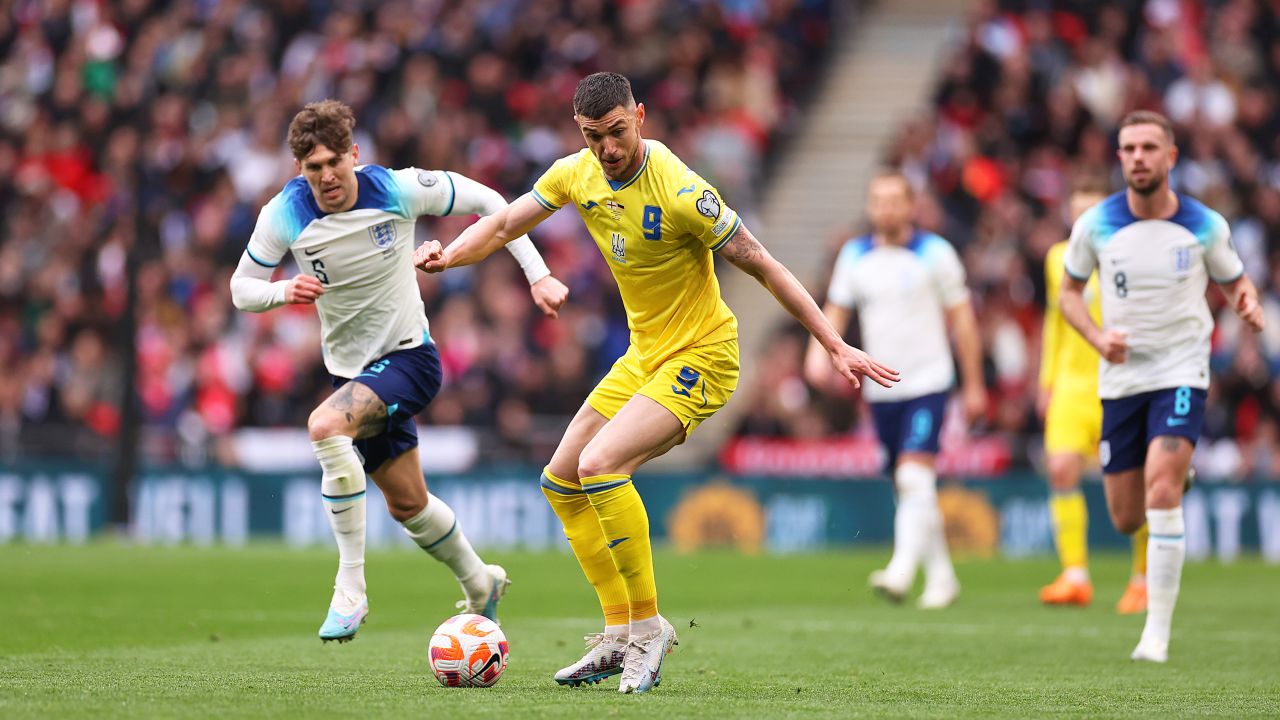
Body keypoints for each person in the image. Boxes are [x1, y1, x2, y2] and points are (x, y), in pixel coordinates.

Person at [415, 72, 899, 693]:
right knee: (561, 481)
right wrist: (447, 255)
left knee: (601, 464)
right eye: (595, 137)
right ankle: (618, 632)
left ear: (639, 115)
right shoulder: (576, 173)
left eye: (618, 131)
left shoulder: (679, 190)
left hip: (703, 355)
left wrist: (832, 343)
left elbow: (761, 262)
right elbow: (506, 224)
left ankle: (649, 627)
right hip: (645, 357)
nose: (608, 148)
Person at [229, 100, 569, 643]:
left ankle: (351, 589)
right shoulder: (284, 213)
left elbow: (490, 202)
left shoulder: (397, 188)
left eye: (334, 162)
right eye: (313, 168)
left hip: (411, 359)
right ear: (300, 170)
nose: (326, 176)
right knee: (408, 506)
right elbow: (240, 288)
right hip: (353, 376)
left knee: (324, 427)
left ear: (354, 155)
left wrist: (537, 273)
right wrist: (281, 292)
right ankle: (482, 583)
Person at [1059, 110, 1264, 662]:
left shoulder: (1204, 225)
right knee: (1128, 516)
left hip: (1181, 369)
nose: (1139, 157)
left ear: (1170, 157)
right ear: (1119, 157)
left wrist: (1244, 299)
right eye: (1129, 149)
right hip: (1121, 378)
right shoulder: (1095, 225)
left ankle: (1156, 632)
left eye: (1150, 147)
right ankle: (1178, 471)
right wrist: (1098, 338)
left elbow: (1235, 278)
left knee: (1161, 491)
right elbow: (1068, 295)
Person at [803, 170, 986, 610]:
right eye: (878, 200)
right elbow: (835, 312)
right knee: (912, 488)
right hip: (880, 391)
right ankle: (942, 578)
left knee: (912, 476)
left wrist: (975, 385)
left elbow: (963, 321)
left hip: (928, 383)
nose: (885, 208)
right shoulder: (855, 256)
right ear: (870, 207)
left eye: (894, 200)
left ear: (910, 206)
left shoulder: (935, 254)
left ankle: (902, 570)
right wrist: (816, 357)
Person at [1039, 181, 1151, 613]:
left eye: (1092, 215)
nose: (1083, 223)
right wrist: (1045, 381)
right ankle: (1075, 575)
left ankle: (1141, 579)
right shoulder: (1056, 259)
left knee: (1133, 485)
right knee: (1062, 469)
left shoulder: (1128, 257)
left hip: (1120, 383)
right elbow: (1055, 320)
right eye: (1077, 214)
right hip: (1071, 384)